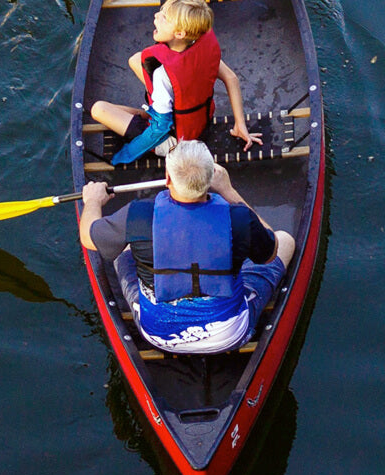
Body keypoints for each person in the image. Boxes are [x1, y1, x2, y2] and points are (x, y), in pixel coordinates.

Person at [77, 141, 296, 355]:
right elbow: (271, 252)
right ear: (210, 179)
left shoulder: (138, 216)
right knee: (285, 240)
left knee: (121, 244)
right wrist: (229, 191)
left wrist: (93, 201)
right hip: (228, 335)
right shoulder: (239, 218)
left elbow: (88, 237)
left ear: (168, 179)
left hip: (160, 337)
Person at [90, 0, 261, 164]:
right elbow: (231, 78)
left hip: (176, 140)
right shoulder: (199, 39)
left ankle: (147, 116)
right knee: (136, 60)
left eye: (164, 17)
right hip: (201, 120)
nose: (156, 16)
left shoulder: (162, 74)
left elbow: (159, 129)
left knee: (98, 109)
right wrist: (240, 124)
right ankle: (149, 113)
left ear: (179, 33)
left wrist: (125, 155)